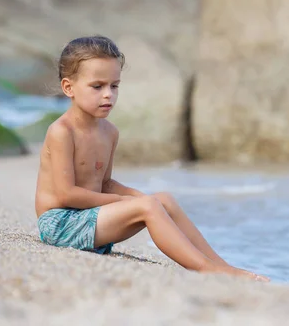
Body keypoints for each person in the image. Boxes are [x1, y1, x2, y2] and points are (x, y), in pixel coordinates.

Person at [35, 35, 269, 282]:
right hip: (60, 225)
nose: (108, 95)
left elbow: (104, 183)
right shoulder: (62, 132)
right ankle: (204, 268)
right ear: (69, 88)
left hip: (92, 221)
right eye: (97, 86)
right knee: (148, 207)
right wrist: (123, 202)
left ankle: (222, 266)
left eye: (114, 86)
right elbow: (66, 195)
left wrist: (139, 197)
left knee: (163, 200)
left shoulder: (109, 132)